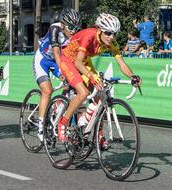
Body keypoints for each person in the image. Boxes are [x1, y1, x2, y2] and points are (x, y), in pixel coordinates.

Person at [58, 13, 142, 143]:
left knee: (100, 98)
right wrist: (91, 76)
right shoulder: (89, 36)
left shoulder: (111, 43)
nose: (111, 37)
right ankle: (63, 123)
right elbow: (77, 63)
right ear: (100, 30)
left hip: (84, 61)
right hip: (69, 60)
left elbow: (122, 63)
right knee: (83, 92)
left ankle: (93, 131)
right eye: (108, 33)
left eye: (114, 34)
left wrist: (132, 76)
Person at [32, 8, 81, 141]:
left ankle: (57, 110)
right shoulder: (55, 29)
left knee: (70, 85)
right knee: (47, 90)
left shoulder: (74, 35)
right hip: (43, 60)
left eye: (76, 27)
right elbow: (57, 53)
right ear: (63, 24)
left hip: (57, 62)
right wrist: (64, 72)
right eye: (71, 27)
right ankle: (41, 128)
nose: (73, 30)